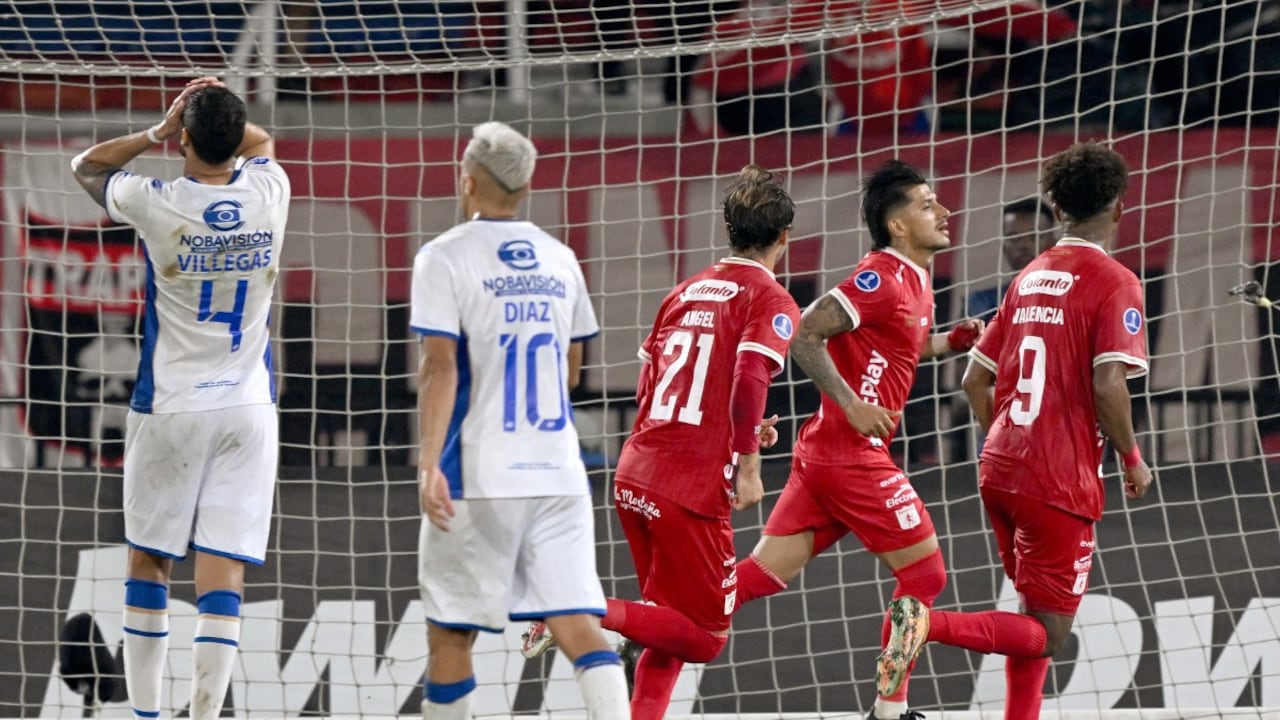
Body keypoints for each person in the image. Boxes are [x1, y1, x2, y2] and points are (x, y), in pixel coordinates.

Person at [523, 164, 802, 720]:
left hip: (637, 471)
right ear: (784, 238)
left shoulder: (685, 291)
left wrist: (736, 433)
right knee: (704, 636)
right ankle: (573, 606)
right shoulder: (771, 300)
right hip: (688, 488)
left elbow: (658, 388)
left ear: (728, 229)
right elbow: (750, 375)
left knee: (665, 621)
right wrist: (748, 463)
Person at [726, 160, 985, 720]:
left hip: (827, 454)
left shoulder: (914, 281)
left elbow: (894, 348)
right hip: (850, 455)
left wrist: (949, 342)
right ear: (897, 226)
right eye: (926, 204)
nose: (944, 211)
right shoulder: (881, 278)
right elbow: (805, 334)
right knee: (925, 575)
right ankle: (890, 713)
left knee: (761, 575)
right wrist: (852, 403)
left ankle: (649, 622)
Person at [906, 141, 1153, 719]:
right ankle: (926, 624)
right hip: (1059, 480)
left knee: (1027, 611)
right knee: (1050, 632)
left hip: (1001, 466)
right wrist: (1132, 457)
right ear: (1118, 206)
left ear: (1057, 207)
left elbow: (972, 380)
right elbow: (1108, 385)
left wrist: (1011, 442)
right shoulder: (1115, 281)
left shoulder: (1031, 276)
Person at [69, 77, 289, 720]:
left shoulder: (156, 200)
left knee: (150, 559)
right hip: (248, 407)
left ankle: (144, 715)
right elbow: (263, 138)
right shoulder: (269, 191)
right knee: (225, 570)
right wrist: (215, 109)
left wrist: (159, 130)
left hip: (171, 406)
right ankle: (203, 712)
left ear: (186, 138)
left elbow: (86, 167)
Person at [411, 121, 629, 720]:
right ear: (528, 185)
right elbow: (574, 369)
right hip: (557, 472)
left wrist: (429, 463)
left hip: (479, 476)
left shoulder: (444, 257)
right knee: (579, 625)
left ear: (468, 182)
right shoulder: (560, 260)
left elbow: (439, 365)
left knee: (451, 633)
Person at [967, 196, 1058, 323]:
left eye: (1034, 236)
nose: (1024, 245)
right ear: (1004, 246)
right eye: (1014, 238)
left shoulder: (1073, 297)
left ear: (1053, 243)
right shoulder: (981, 303)